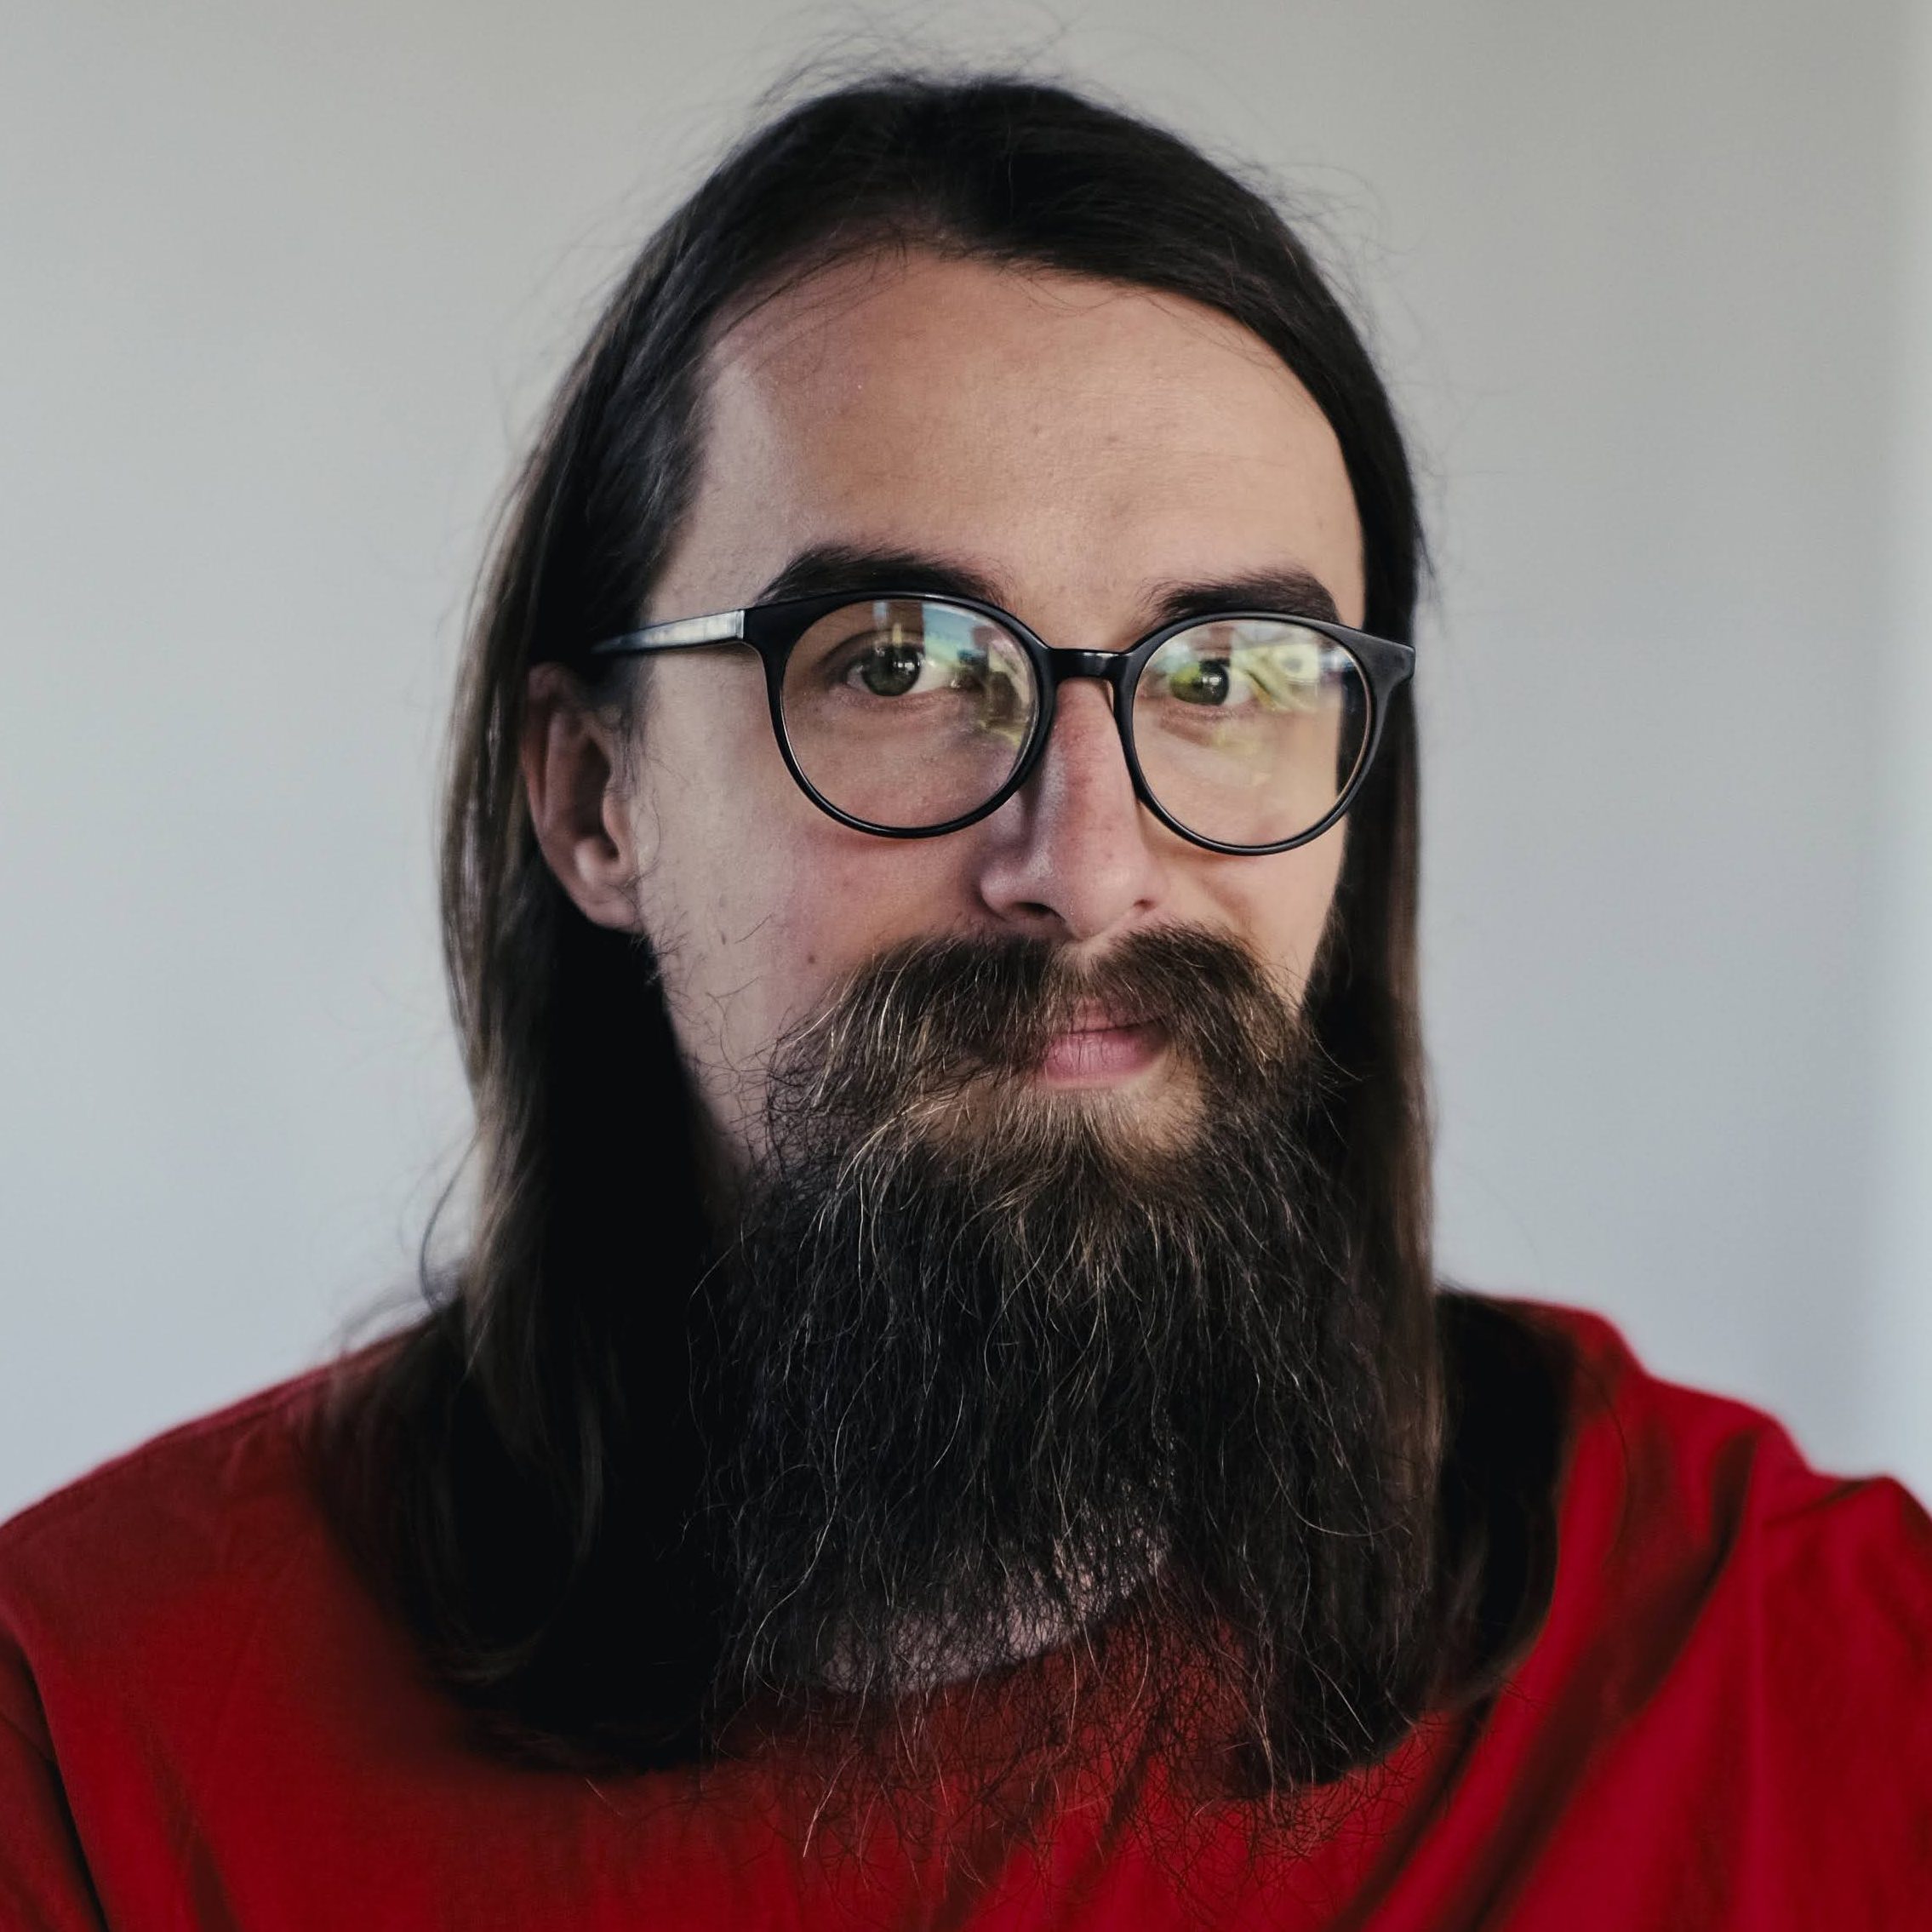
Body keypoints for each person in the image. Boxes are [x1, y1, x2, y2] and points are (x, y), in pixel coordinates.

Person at [3, 71, 1927, 1929]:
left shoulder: (1792, 1674)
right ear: (595, 798)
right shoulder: (95, 1755)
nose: (1085, 865)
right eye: (899, 663)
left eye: (1226, 672)